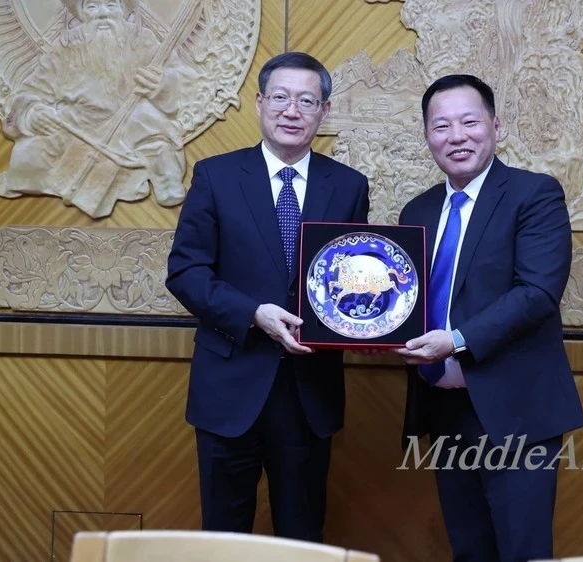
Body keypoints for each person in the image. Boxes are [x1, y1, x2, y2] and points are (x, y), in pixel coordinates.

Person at [165, 51, 370, 542]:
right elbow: (186, 271)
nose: (291, 111)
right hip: (230, 384)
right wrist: (252, 313)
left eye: (306, 101)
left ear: (324, 110)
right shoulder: (215, 176)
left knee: (302, 535)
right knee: (223, 536)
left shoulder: (348, 186)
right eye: (280, 98)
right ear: (259, 103)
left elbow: (351, 275)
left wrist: (371, 323)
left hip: (308, 390)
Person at [394, 74, 583, 562]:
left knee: (522, 551)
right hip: (444, 408)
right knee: (469, 548)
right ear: (427, 135)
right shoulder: (417, 211)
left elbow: (537, 293)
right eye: (441, 126)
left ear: (495, 126)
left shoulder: (534, 195)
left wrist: (455, 340)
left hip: (515, 409)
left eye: (469, 122)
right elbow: (405, 299)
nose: (456, 136)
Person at [0, 0, 198, 217]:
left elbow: (186, 80)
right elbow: (33, 90)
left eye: (111, 5)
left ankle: (164, 176)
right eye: (92, 6)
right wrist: (32, 113)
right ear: (82, 13)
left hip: (131, 122)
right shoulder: (65, 46)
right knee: (27, 154)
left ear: (124, 11)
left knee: (148, 124)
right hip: (76, 124)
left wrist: (162, 84)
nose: (102, 14)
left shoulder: (143, 40)